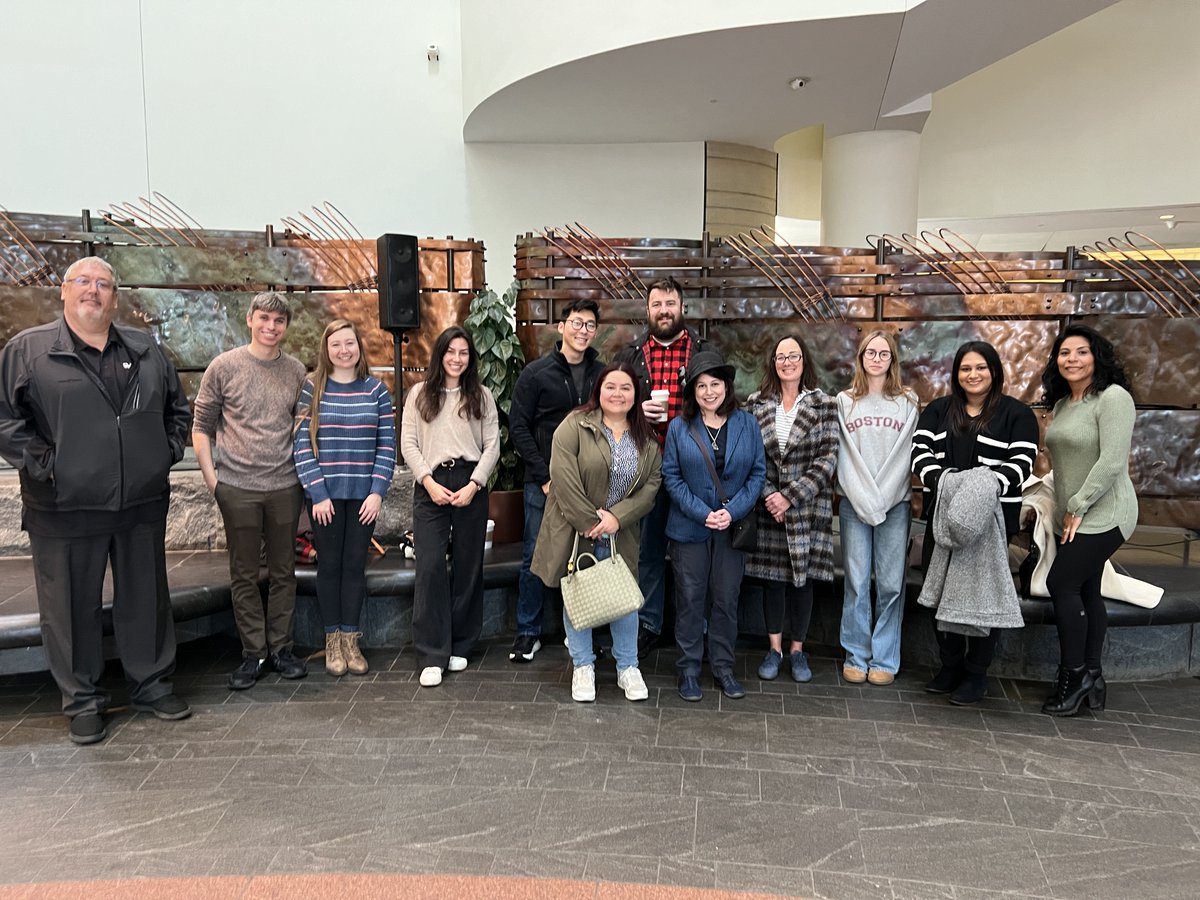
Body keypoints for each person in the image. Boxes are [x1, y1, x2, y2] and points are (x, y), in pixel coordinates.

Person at [0, 256, 192, 744]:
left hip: (140, 503)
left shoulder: (147, 350)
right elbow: (5, 420)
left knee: (146, 599)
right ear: (63, 292)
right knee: (68, 607)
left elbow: (178, 411)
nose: (93, 290)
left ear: (114, 295)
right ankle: (82, 700)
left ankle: (151, 684)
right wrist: (46, 466)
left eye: (103, 283)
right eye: (82, 281)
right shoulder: (29, 351)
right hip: (63, 507)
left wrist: (162, 454)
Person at [911, 340, 1038, 704]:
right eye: (966, 368)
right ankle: (949, 665)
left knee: (985, 594)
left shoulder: (1017, 414)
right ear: (956, 374)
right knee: (939, 591)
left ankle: (976, 673)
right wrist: (946, 484)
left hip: (992, 520)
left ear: (994, 371)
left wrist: (980, 490)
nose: (973, 374)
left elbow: (1020, 465)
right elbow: (920, 454)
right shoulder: (938, 410)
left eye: (980, 367)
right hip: (942, 518)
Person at [193, 291, 309, 690]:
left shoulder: (296, 371)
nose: (271, 327)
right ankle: (253, 654)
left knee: (284, 572)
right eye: (264, 319)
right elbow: (201, 426)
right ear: (250, 320)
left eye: (278, 321)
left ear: (286, 327)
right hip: (237, 487)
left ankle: (281, 649)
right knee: (243, 574)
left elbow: (303, 426)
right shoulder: (224, 367)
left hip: (284, 486)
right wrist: (214, 481)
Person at [530, 362, 662, 703]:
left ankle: (628, 667)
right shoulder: (575, 425)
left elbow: (651, 485)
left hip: (622, 533)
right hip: (578, 532)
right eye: (610, 387)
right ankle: (583, 666)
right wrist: (590, 522)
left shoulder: (646, 439)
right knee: (579, 598)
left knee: (625, 603)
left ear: (636, 395)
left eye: (626, 388)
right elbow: (562, 476)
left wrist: (617, 518)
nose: (617, 394)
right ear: (598, 392)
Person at [1040, 325, 1137, 716]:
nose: (1072, 359)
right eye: (1065, 353)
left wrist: (1077, 504)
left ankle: (1074, 674)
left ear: (1097, 356)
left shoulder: (1113, 398)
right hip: (1074, 515)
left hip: (1107, 511)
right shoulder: (1063, 404)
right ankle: (1094, 680)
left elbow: (1112, 461)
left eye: (1081, 352)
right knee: (1086, 590)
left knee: (1060, 582)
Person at [614, 276, 711, 659]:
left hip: (691, 468)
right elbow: (610, 403)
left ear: (682, 308)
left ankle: (695, 627)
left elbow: (718, 405)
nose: (664, 310)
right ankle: (649, 624)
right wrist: (637, 410)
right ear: (648, 309)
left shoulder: (703, 352)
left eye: (670, 303)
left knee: (693, 554)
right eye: (657, 304)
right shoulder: (629, 356)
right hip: (645, 467)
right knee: (647, 552)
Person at [293, 319, 396, 677]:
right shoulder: (312, 389)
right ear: (326, 349)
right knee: (331, 566)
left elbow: (387, 446)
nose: (343, 350)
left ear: (358, 347)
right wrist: (317, 493)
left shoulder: (377, 391)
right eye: (336, 344)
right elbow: (301, 444)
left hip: (363, 499)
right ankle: (331, 640)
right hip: (325, 499)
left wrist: (377, 493)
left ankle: (351, 638)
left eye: (349, 343)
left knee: (355, 566)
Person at [662, 351, 765, 701]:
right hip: (690, 528)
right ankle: (688, 669)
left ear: (727, 386)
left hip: (731, 530)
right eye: (701, 385)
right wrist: (702, 512)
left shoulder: (747, 424)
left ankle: (723, 667)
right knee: (690, 599)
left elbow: (758, 474)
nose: (709, 392)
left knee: (725, 599)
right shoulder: (679, 427)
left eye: (715, 384)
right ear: (692, 390)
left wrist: (732, 511)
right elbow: (671, 478)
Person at [401, 326, 499, 688]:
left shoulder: (482, 396)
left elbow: (493, 445)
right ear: (439, 354)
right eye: (450, 352)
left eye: (464, 353)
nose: (457, 359)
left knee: (468, 565)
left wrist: (476, 484)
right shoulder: (419, 395)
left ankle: (461, 644)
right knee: (428, 567)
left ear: (470, 358)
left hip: (470, 482)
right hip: (431, 484)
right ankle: (431, 653)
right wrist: (427, 481)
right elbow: (408, 443)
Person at [507, 299, 605, 663]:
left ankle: (581, 631)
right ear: (562, 327)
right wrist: (544, 475)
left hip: (589, 484)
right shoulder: (536, 373)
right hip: (545, 484)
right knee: (536, 554)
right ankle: (527, 631)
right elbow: (518, 426)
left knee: (586, 557)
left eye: (590, 325)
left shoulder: (602, 373)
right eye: (577, 323)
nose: (583, 331)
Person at [745, 335, 838, 684]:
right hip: (769, 509)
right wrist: (771, 496)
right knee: (773, 582)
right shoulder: (757, 403)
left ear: (804, 360)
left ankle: (798, 651)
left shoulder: (824, 404)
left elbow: (828, 459)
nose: (787, 361)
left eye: (793, 355)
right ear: (773, 362)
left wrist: (790, 497)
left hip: (806, 509)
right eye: (781, 356)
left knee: (802, 583)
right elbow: (752, 457)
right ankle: (774, 650)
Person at [836, 331, 919, 686]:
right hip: (854, 504)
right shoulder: (844, 401)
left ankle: (884, 658)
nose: (877, 358)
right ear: (861, 357)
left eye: (884, 353)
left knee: (890, 584)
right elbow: (846, 457)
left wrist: (882, 498)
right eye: (871, 352)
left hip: (895, 505)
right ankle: (856, 654)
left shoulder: (907, 402)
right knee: (856, 582)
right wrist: (865, 497)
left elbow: (904, 456)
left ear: (892, 360)